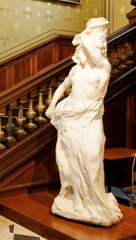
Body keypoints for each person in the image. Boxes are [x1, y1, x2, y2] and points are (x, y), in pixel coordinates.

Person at [45, 17, 122, 227]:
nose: (85, 52)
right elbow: (62, 88)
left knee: (91, 159)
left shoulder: (103, 67)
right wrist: (53, 105)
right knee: (70, 161)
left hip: (90, 117)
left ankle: (94, 201)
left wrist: (85, 36)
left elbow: (96, 54)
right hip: (70, 116)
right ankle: (77, 198)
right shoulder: (76, 70)